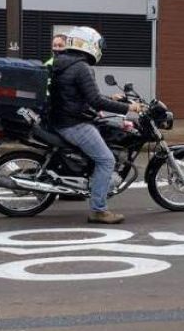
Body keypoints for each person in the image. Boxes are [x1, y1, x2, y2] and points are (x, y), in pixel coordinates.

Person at [49, 26, 145, 225]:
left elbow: (78, 96)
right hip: (73, 123)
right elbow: (95, 101)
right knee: (106, 161)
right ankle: (98, 210)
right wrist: (129, 107)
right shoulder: (82, 67)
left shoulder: (63, 62)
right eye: (98, 45)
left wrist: (110, 98)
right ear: (88, 44)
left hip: (61, 118)